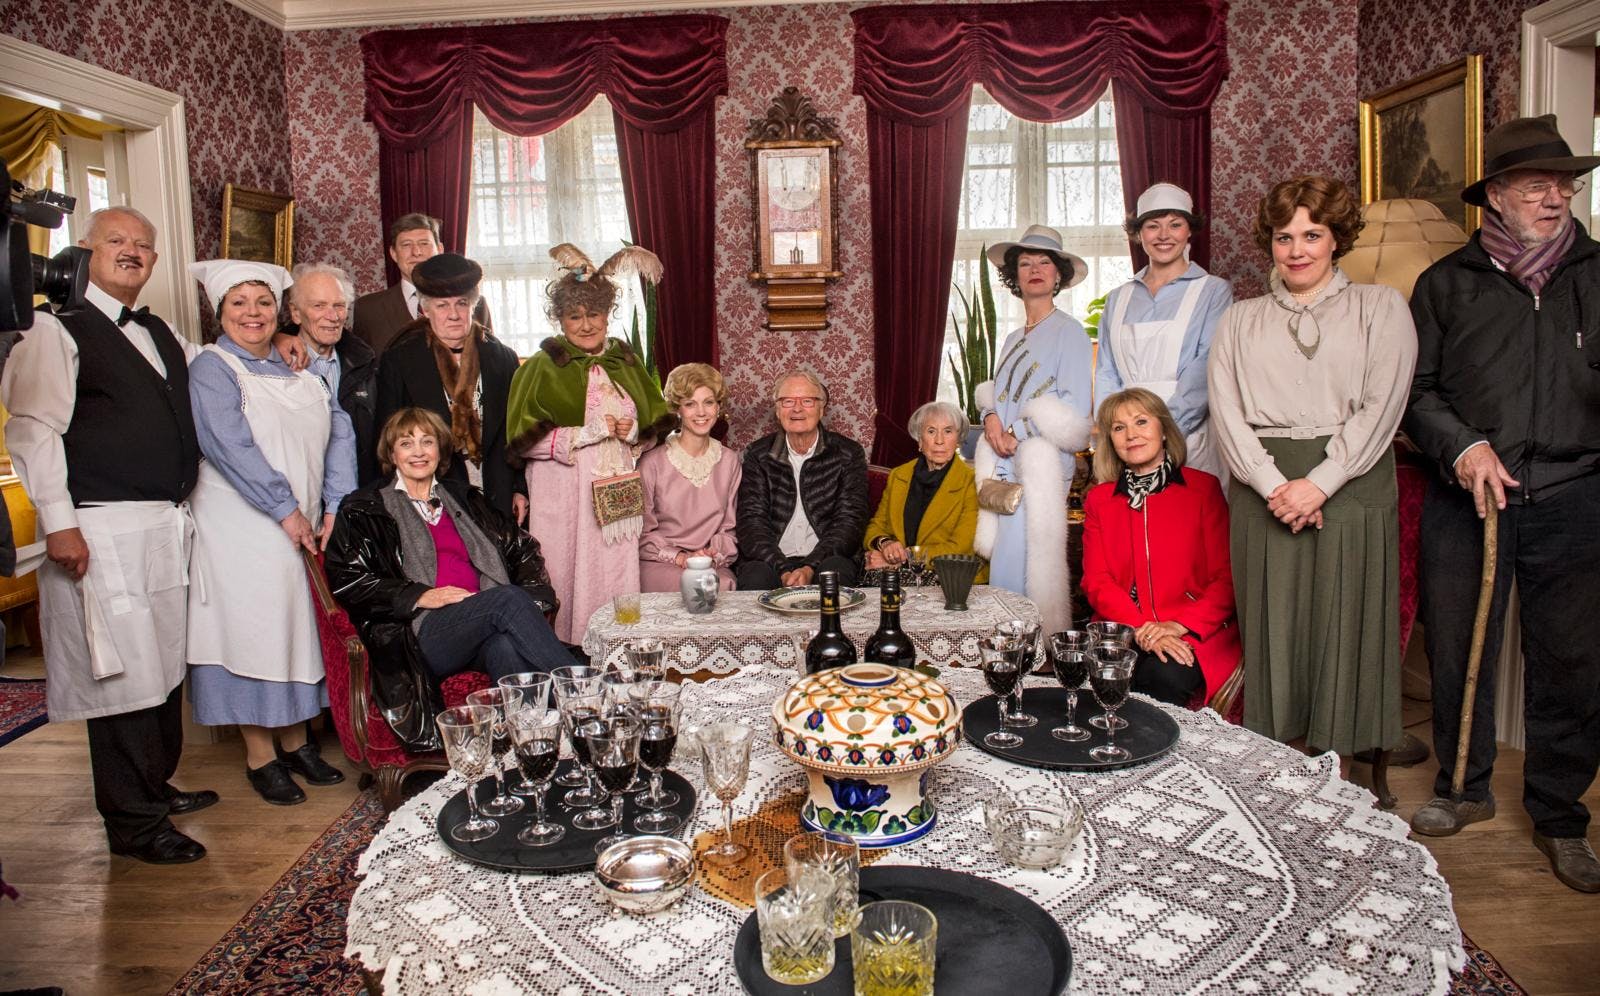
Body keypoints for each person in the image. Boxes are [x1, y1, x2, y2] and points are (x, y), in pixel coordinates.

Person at [1405, 114, 1600, 892]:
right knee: (1461, 649)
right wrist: (1461, 444)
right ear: (1494, 196)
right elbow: (1415, 392)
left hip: (1575, 493)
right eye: (1534, 186)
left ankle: (1560, 817)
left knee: (1572, 662)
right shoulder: (1445, 284)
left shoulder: (1597, 273)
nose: (1553, 199)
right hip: (1469, 496)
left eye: (1564, 185)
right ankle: (1462, 789)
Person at [1, 207, 216, 863]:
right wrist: (59, 523)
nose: (132, 252)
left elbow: (214, 367)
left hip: (163, 525)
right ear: (84, 250)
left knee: (163, 664)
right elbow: (33, 430)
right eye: (116, 241)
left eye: (143, 246)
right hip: (100, 528)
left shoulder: (157, 330)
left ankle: (155, 785)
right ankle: (133, 824)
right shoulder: (52, 330)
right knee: (120, 674)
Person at [1207, 175, 1417, 759]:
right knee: (1276, 633)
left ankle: (1343, 788)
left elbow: (1383, 406)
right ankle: (1282, 780)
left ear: (1336, 239)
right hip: (1263, 485)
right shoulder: (1240, 320)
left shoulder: (1381, 308)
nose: (1297, 250)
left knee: (1345, 633)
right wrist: (1279, 488)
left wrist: (1318, 485)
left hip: (1353, 481)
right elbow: (1227, 417)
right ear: (1268, 243)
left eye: (1312, 234)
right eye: (1283, 237)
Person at [185, 259, 356, 806]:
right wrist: (285, 509)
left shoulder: (298, 365)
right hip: (241, 523)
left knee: (296, 628)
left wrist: (336, 505)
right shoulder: (212, 368)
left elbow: (339, 434)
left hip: (302, 520)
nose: (252, 314)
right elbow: (229, 447)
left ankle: (298, 741)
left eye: (262, 303)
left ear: (280, 312)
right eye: (238, 304)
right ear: (220, 312)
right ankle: (262, 756)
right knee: (251, 632)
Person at [326, 408, 577, 750]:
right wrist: (417, 595)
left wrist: (533, 601)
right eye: (406, 443)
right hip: (424, 633)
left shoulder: (465, 498)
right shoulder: (366, 509)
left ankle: (533, 746)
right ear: (391, 453)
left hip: (483, 620)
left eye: (427, 441)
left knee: (504, 645)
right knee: (507, 600)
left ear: (440, 450)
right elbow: (348, 578)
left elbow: (520, 547)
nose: (418, 451)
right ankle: (584, 693)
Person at [506, 244, 673, 642]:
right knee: (565, 571)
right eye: (574, 316)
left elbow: (653, 429)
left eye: (593, 314)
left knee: (615, 570)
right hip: (565, 494)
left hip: (616, 489)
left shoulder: (625, 361)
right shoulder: (543, 366)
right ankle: (567, 653)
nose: (585, 325)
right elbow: (520, 441)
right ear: (560, 319)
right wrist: (584, 433)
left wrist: (631, 431)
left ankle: (617, 645)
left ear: (607, 314)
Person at [1081, 388, 1240, 706]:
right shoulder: (1100, 499)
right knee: (1108, 673)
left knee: (1163, 676)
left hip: (1194, 627)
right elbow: (1096, 581)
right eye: (1118, 427)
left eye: (1141, 421)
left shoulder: (1203, 490)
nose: (1131, 435)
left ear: (1164, 431)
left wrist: (1179, 626)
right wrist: (1143, 628)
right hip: (1124, 627)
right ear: (1111, 441)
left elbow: (1227, 577)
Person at [973, 224, 1094, 635]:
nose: (1035, 269)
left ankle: (1035, 652)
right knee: (1005, 560)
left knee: (1031, 560)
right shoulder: (1010, 337)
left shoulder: (1071, 332)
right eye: (1025, 263)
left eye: (1045, 262)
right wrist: (990, 418)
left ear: (1059, 275)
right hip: (1005, 462)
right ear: (1015, 275)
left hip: (1041, 463)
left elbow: (1076, 409)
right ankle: (1005, 651)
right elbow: (998, 395)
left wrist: (1017, 433)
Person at [1095, 183, 1234, 481]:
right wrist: (1118, 435)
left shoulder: (1212, 291)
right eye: (1152, 226)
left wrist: (1164, 436)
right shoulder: (1118, 298)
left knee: (1185, 522)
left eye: (1175, 224)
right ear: (1138, 233)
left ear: (1189, 231)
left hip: (1189, 438)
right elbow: (1107, 373)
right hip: (1128, 446)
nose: (1163, 235)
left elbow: (1206, 368)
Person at [374, 253, 525, 522]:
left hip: (496, 491)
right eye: (442, 306)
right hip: (429, 493)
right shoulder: (399, 359)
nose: (453, 314)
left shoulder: (502, 358)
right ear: (425, 309)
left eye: (462, 303)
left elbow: (515, 433)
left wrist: (518, 489)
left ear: (474, 305)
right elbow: (386, 439)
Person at [735, 370, 870, 590]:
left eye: (807, 401)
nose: (797, 409)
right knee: (754, 578)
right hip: (771, 559)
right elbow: (752, 522)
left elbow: (849, 522)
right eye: (788, 401)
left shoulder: (848, 453)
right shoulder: (758, 455)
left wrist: (809, 567)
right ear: (778, 410)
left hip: (827, 557)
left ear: (821, 408)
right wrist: (782, 568)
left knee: (834, 576)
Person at [638, 363, 741, 592]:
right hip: (661, 561)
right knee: (699, 587)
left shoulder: (730, 461)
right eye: (690, 404)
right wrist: (681, 557)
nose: (701, 412)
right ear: (677, 409)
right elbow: (643, 532)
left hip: (709, 562)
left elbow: (728, 527)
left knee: (723, 584)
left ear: (718, 407)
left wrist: (711, 554)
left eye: (708, 402)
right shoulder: (651, 463)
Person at [862, 400, 983, 585]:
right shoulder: (898, 475)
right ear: (919, 439)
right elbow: (877, 525)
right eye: (931, 431)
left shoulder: (971, 481)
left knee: (886, 580)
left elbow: (961, 549)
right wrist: (885, 544)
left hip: (948, 573)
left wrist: (901, 559)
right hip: (899, 570)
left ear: (958, 440)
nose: (939, 440)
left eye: (948, 431)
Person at [288, 262, 379, 486]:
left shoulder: (367, 364)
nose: (332, 316)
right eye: (319, 306)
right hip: (299, 494)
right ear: (296, 313)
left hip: (358, 495)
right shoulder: (277, 365)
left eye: (339, 305)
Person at [352, 213, 491, 355]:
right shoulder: (368, 309)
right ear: (393, 253)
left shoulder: (476, 304)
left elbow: (489, 360)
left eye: (424, 243)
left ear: (440, 249)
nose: (416, 252)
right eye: (406, 245)